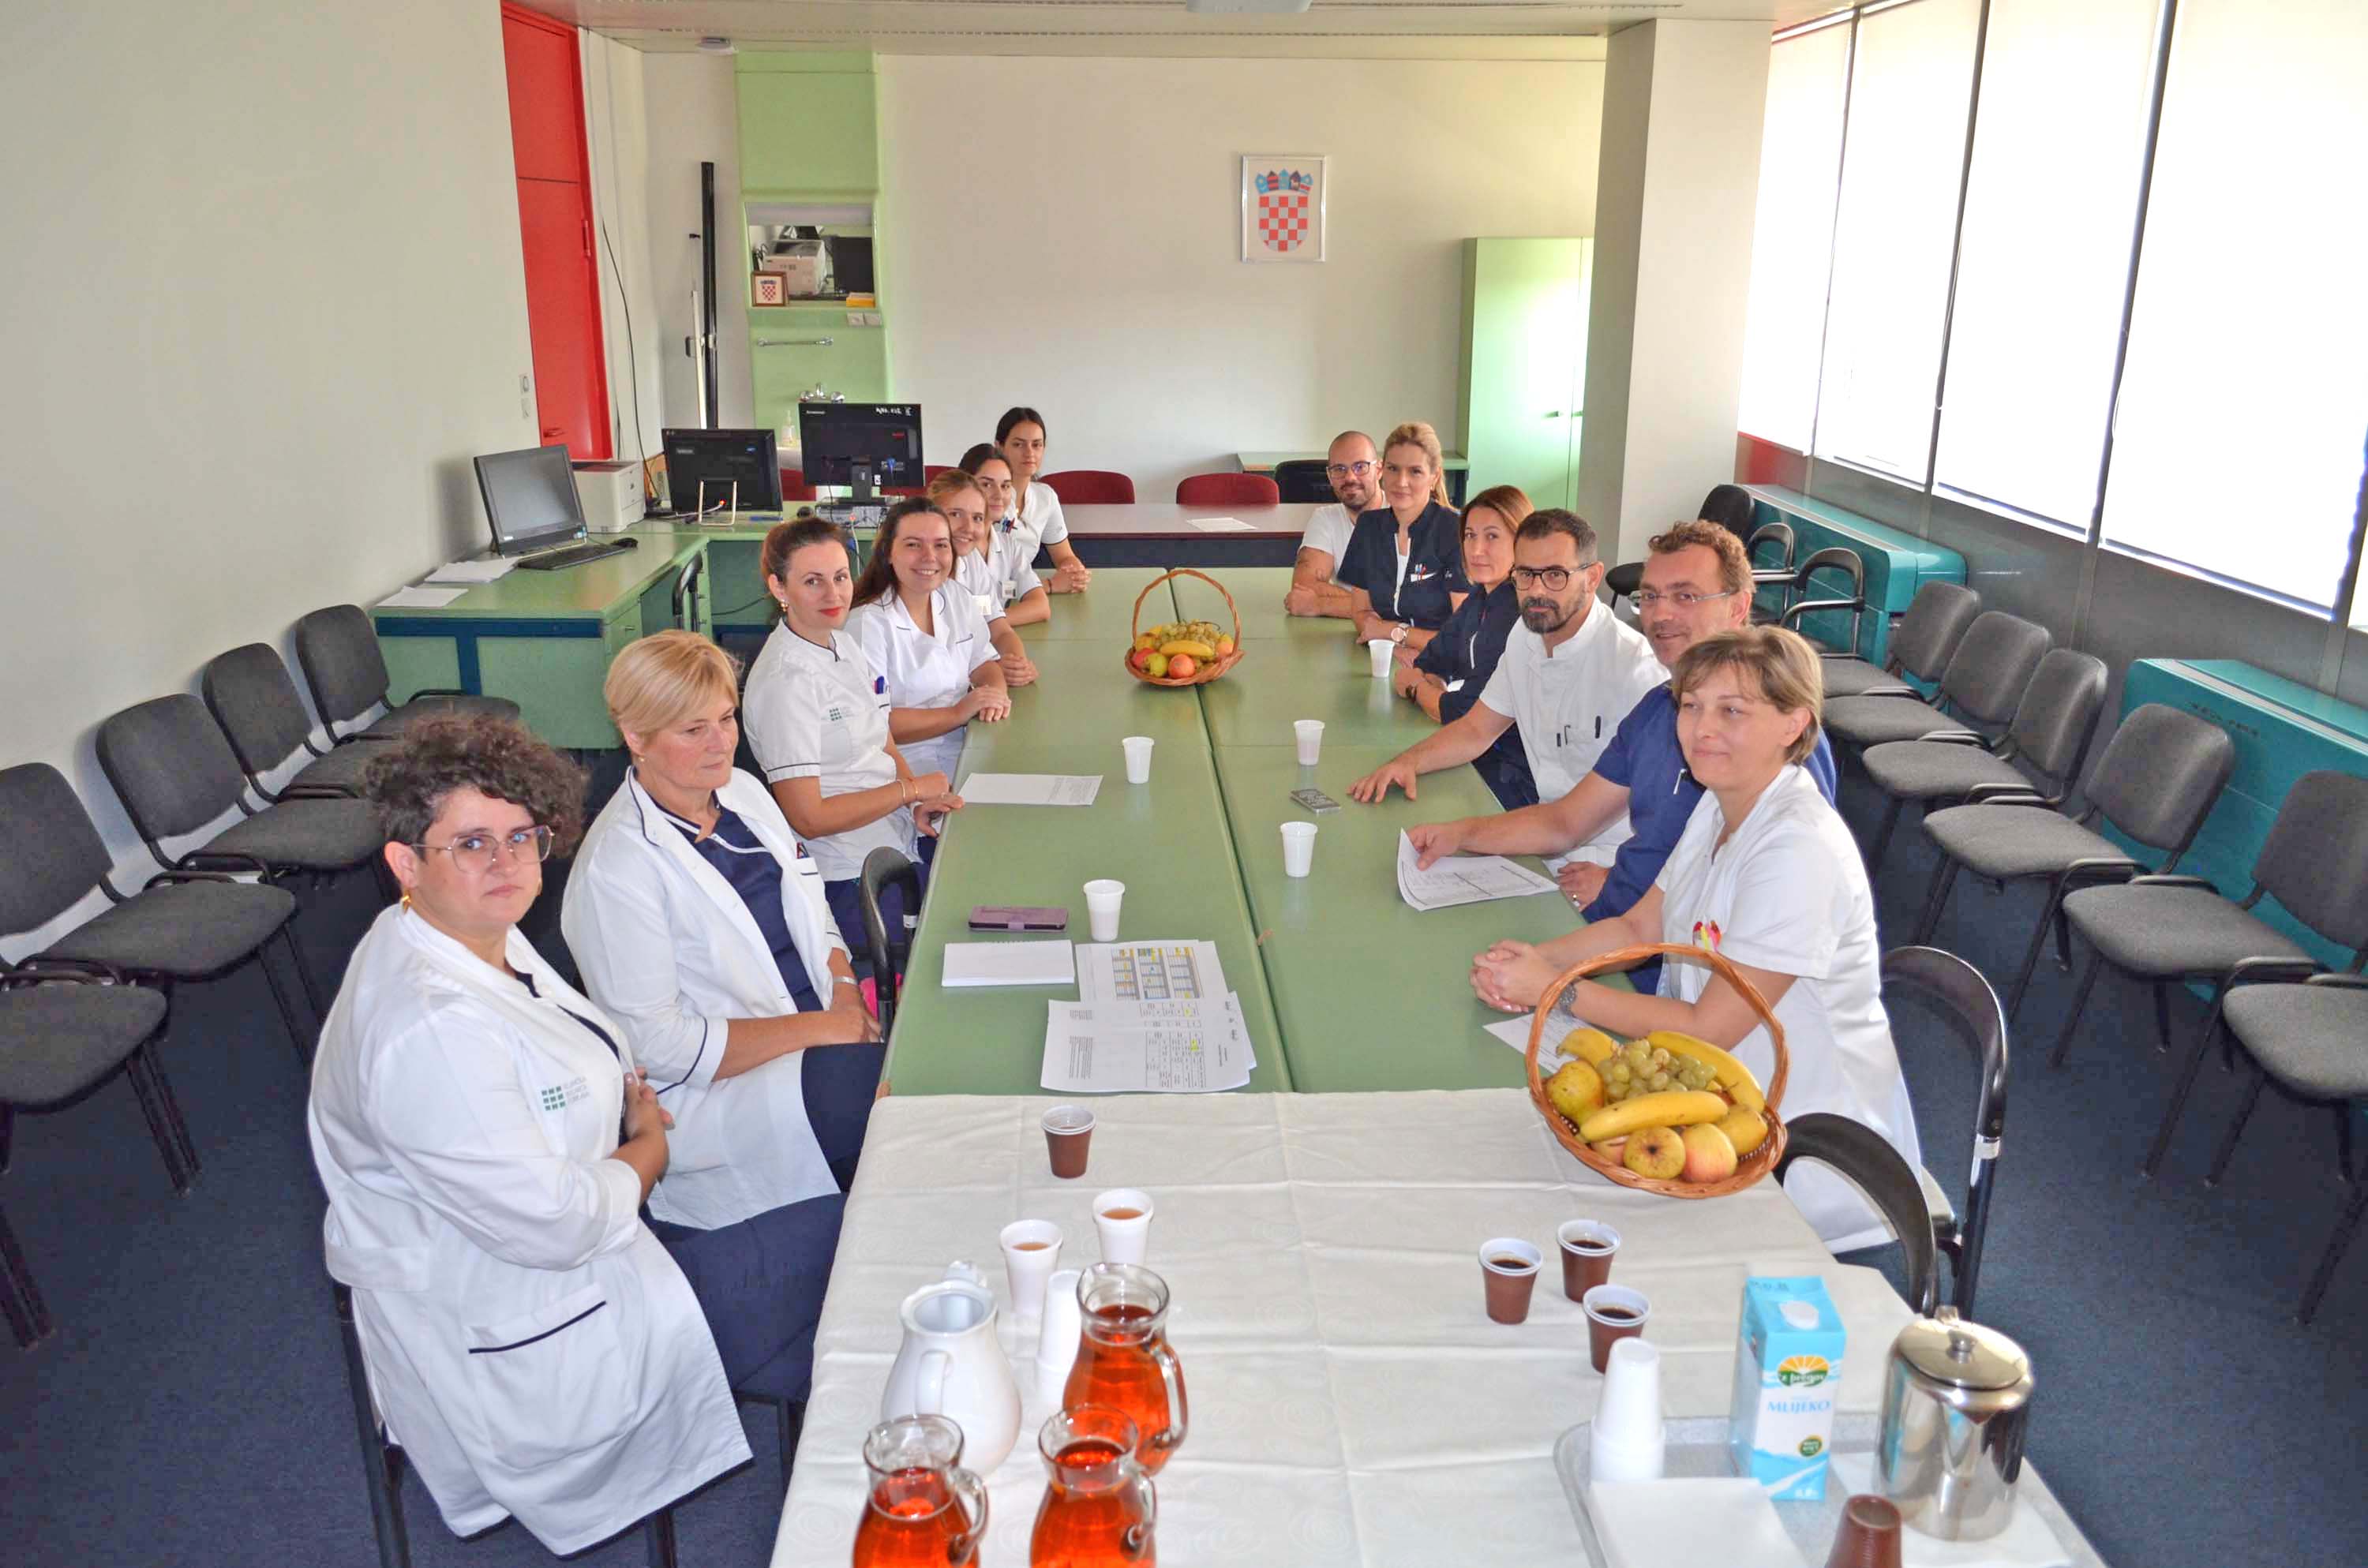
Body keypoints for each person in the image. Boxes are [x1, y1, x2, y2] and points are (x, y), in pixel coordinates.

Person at [309, 715, 755, 1555]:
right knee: (831, 1265)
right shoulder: (428, 1029)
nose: (508, 862)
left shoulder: (466, 931)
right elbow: (555, 1224)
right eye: (471, 843)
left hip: (574, 1228)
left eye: (521, 836)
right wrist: (647, 1153)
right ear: (405, 862)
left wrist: (618, 1107)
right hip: (523, 1299)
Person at [1467, 627, 1923, 1252]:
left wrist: (1556, 989)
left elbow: (1710, 1028)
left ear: (1793, 723)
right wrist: (1534, 960)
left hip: (1806, 1152)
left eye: (1732, 710)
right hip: (1713, 1104)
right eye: (1691, 705)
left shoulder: (1799, 848)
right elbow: (1637, 927)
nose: (1702, 728)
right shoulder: (1719, 803)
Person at [1409, 520, 1840, 991]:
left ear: (1738, 606)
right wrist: (1461, 835)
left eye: (1686, 596)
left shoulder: (1777, 739)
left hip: (1679, 970)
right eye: (1650, 596)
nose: (1661, 614)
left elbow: (1732, 971)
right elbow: (1566, 822)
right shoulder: (1656, 709)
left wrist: (1560, 982)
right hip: (1617, 930)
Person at [565, 629, 885, 1218]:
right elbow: (658, 1042)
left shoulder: (744, 793)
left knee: (914, 1094)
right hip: (722, 1099)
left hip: (826, 1034)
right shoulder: (617, 868)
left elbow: (813, 906)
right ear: (636, 737)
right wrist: (822, 1028)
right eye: (693, 730)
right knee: (901, 1122)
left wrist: (844, 991)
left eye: (726, 718)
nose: (721, 744)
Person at [1349, 509, 1664, 880]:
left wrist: (1620, 878)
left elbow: (1674, 813)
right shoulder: (1525, 636)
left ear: (1592, 578)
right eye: (1526, 574)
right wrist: (1407, 762)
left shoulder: (1636, 672)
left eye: (1555, 575)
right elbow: (1477, 729)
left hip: (1613, 864)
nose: (1537, 591)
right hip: (1546, 840)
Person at [741, 517, 961, 947]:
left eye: (841, 577)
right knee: (954, 939)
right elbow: (809, 818)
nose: (834, 594)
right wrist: (909, 790)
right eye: (813, 581)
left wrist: (915, 802)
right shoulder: (785, 681)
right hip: (849, 875)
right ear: (779, 588)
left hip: (896, 836)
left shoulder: (841, 642)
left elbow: (882, 739)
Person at [845, 497, 1012, 795]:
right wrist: (959, 713)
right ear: (888, 553)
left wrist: (994, 696)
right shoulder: (867, 624)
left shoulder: (955, 596)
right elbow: (874, 725)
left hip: (966, 746)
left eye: (940, 545)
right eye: (913, 545)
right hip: (901, 770)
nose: (929, 556)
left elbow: (984, 662)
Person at [1391, 484, 1537, 810]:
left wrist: (1417, 689)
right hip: (1480, 754)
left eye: (1492, 536)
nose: (1477, 549)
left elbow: (1465, 713)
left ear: (1522, 542)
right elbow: (1432, 659)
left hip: (1514, 778)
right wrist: (1431, 687)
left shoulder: (1517, 614)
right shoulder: (1481, 597)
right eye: (1470, 536)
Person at [1335, 420, 1467, 652]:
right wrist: (1394, 648)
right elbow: (1361, 613)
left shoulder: (1456, 531)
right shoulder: (1368, 527)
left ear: (1434, 477)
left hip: (1443, 665)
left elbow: (1461, 636)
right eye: (1393, 469)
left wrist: (1395, 633)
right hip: (1384, 656)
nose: (1401, 482)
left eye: (1415, 471)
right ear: (1381, 470)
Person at [931, 467, 1041, 687]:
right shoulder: (922, 575)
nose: (968, 528)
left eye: (977, 518)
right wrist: (989, 669)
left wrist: (1016, 664)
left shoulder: (972, 561)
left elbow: (999, 629)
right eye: (955, 514)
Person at [1282, 429, 1381, 619]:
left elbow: (1410, 605)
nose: (1350, 477)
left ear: (1379, 470)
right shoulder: (1325, 518)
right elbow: (1304, 587)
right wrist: (1377, 606)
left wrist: (1320, 604)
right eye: (1339, 469)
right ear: (1329, 476)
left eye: (1360, 467)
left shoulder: (1403, 516)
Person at [994, 406, 1092, 593]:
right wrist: (1049, 585)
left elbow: (1064, 556)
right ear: (999, 448)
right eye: (1018, 444)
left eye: (1037, 445)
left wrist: (1074, 572)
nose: (1029, 453)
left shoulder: (1045, 497)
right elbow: (986, 589)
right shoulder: (986, 500)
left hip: (1025, 600)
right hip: (984, 606)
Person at [956, 443, 1049, 627]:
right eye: (986, 484)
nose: (999, 495)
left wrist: (994, 621)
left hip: (997, 638)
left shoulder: (1008, 545)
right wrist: (997, 620)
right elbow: (957, 616)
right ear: (963, 486)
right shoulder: (950, 547)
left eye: (1006, 486)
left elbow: (1041, 607)